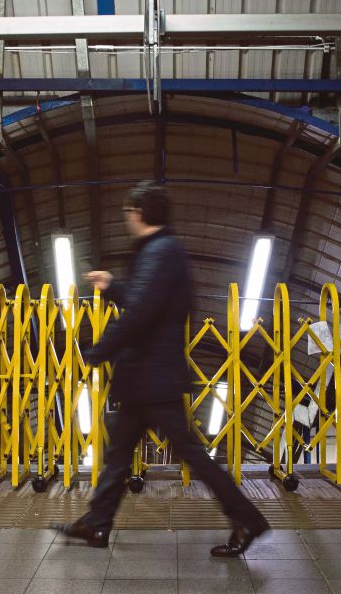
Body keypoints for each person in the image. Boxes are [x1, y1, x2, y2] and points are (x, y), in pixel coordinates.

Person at [52, 182, 269, 556]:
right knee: (119, 454)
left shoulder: (161, 252)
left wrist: (96, 351)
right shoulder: (161, 251)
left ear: (139, 213)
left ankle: (246, 517)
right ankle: (96, 524)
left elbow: (140, 314)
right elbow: (147, 303)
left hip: (152, 378)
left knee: (191, 454)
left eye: (127, 212)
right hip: (146, 378)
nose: (126, 219)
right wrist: (113, 287)